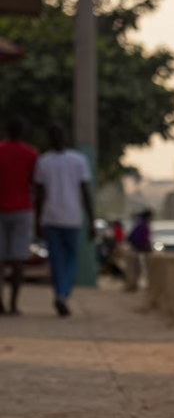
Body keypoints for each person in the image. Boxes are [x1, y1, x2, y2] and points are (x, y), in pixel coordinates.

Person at [33, 125, 94, 317]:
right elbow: (85, 192)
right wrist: (91, 220)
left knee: (56, 260)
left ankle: (60, 292)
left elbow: (39, 195)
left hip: (51, 217)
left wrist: (37, 220)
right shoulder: (78, 160)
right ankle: (63, 293)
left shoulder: (44, 161)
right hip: (72, 217)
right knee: (70, 260)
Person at [0, 117, 39, 315]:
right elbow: (36, 185)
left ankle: (0, 302)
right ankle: (14, 304)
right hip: (23, 209)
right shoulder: (31, 154)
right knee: (18, 259)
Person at [124, 210, 153, 292]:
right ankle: (132, 285)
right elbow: (143, 239)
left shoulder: (139, 223)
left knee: (136, 269)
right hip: (137, 249)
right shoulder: (143, 225)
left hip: (136, 249)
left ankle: (133, 285)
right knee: (136, 269)